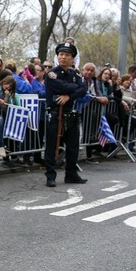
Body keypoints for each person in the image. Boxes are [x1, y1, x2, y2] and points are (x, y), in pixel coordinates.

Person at [43, 42, 87, 187]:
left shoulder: (75, 73)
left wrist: (69, 96)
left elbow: (83, 89)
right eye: (61, 54)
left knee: (73, 147)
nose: (63, 57)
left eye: (67, 55)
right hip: (56, 114)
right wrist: (75, 88)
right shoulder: (51, 74)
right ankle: (50, 175)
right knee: (51, 146)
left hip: (70, 114)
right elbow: (61, 86)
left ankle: (71, 174)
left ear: (72, 58)